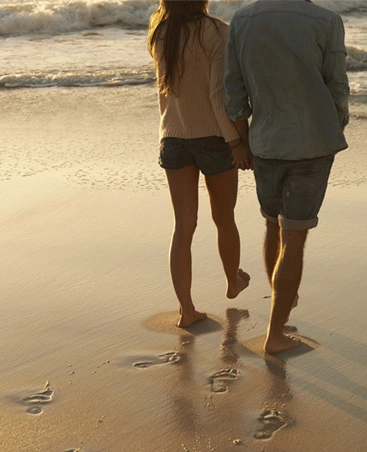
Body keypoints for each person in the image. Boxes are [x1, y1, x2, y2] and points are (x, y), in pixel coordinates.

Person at [224, 0, 349, 353]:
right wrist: (334, 127)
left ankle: (283, 298)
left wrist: (243, 142)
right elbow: (337, 86)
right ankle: (275, 334)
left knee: (272, 225)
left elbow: (233, 93)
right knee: (294, 238)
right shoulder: (326, 20)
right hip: (312, 144)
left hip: (265, 142)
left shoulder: (243, 19)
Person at [148, 0, 252, 328]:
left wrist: (168, 131)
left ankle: (186, 311)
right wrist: (236, 141)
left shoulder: (161, 31)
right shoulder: (215, 31)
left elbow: (164, 92)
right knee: (224, 217)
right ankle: (233, 282)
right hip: (214, 140)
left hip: (174, 138)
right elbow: (217, 93)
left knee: (183, 226)